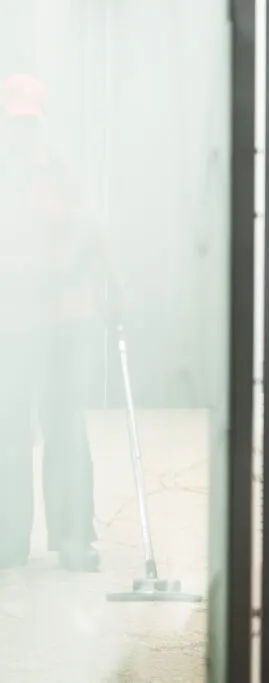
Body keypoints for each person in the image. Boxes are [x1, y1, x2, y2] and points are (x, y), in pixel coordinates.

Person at [0, 73, 101, 572]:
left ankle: (73, 536)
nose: (21, 133)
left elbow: (90, 234)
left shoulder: (63, 172)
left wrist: (62, 272)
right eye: (13, 123)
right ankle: (7, 537)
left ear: (40, 123)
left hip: (63, 319)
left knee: (64, 423)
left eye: (29, 123)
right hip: (11, 324)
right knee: (8, 429)